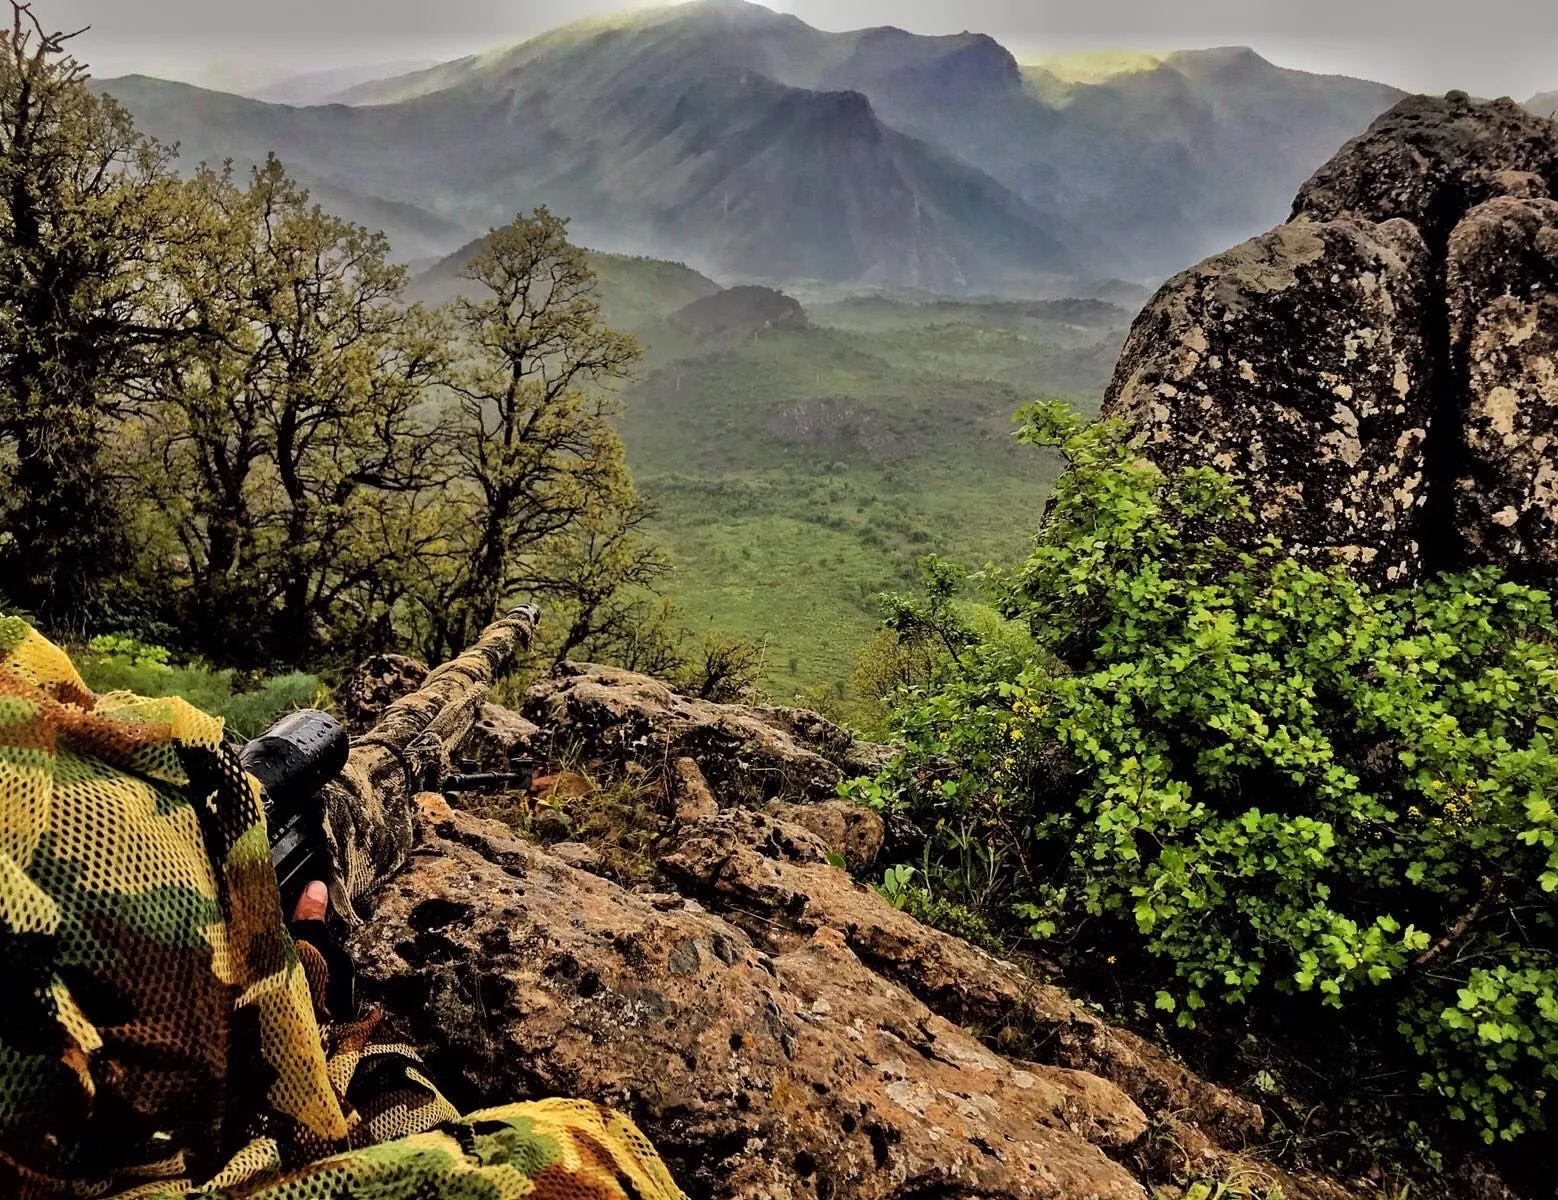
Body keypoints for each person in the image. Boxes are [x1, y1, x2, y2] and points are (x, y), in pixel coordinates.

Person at [0, 615, 686, 1199]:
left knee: (393, 759)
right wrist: (331, 1023)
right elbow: (544, 1163)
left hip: (216, 829)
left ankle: (486, 658)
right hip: (213, 850)